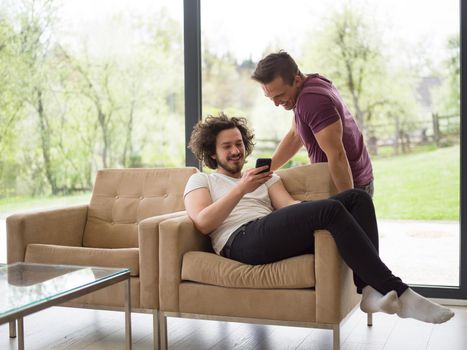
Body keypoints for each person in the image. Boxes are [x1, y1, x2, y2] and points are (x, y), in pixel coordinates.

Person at [184, 114, 454, 324]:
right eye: (227, 146)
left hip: (267, 235)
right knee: (332, 210)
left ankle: (369, 289)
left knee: (356, 198)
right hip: (239, 242)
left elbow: (288, 207)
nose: (236, 151)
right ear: (212, 152)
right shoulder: (202, 179)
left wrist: (312, 210)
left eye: (239, 144)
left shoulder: (267, 177)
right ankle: (402, 294)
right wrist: (243, 187)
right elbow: (204, 222)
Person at [252, 51, 374, 196]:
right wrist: (264, 172)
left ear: (296, 80)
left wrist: (350, 202)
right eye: (270, 97)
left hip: (347, 185)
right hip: (344, 181)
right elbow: (295, 135)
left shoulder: (311, 100)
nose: (276, 104)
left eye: (280, 95)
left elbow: (337, 155)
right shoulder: (307, 87)